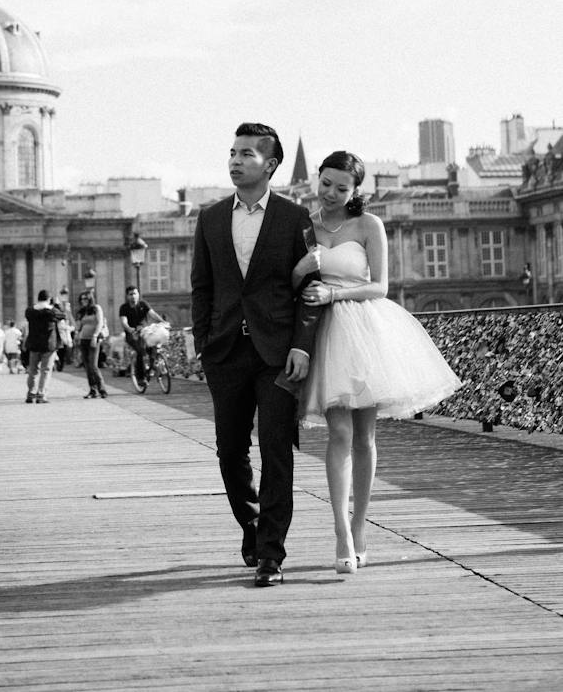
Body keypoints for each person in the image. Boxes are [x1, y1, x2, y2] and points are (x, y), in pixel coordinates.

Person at [294, 151, 462, 574]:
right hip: (323, 333)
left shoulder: (370, 225)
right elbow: (287, 281)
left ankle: (360, 523)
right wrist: (300, 272)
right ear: (318, 179)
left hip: (362, 327)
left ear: (355, 191)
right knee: (339, 431)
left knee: (365, 437)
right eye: (326, 183)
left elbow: (381, 286)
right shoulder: (302, 226)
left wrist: (334, 293)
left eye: (341, 187)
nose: (331, 193)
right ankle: (341, 533)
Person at [191, 122, 316, 587]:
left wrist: (303, 344)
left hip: (278, 352)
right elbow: (202, 286)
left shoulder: (294, 217)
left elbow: (311, 287)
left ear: (271, 164)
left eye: (246, 153)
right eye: (232, 151)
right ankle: (252, 524)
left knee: (277, 451)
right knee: (229, 452)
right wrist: (203, 341)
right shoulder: (209, 217)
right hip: (225, 350)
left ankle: (271, 555)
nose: (235, 160)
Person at [24, 290, 62, 404]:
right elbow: (62, 314)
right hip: (48, 346)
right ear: (49, 299)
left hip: (34, 345)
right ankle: (41, 395)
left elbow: (30, 312)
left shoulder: (30, 311)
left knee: (32, 371)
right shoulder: (51, 312)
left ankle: (31, 394)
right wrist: (57, 304)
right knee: (45, 371)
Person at [119, 286, 162, 384]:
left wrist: (163, 322)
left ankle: (152, 366)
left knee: (153, 349)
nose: (133, 296)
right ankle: (140, 378)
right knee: (140, 351)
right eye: (131, 294)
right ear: (127, 296)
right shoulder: (124, 308)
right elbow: (123, 321)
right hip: (132, 334)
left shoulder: (143, 304)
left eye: (135, 293)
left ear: (138, 294)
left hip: (144, 332)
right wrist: (129, 328)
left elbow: (153, 314)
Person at [77, 291, 107, 399]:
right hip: (83, 340)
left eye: (85, 299)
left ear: (90, 299)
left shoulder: (96, 308)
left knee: (93, 365)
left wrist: (95, 336)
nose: (83, 301)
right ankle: (93, 390)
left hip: (93, 340)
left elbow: (100, 323)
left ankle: (102, 389)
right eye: (82, 299)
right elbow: (77, 327)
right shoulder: (82, 312)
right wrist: (69, 314)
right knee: (87, 366)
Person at [53, 287, 75, 370]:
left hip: (59, 339)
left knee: (59, 354)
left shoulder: (58, 319)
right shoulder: (61, 320)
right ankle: (59, 365)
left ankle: (59, 366)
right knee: (61, 354)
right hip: (61, 339)